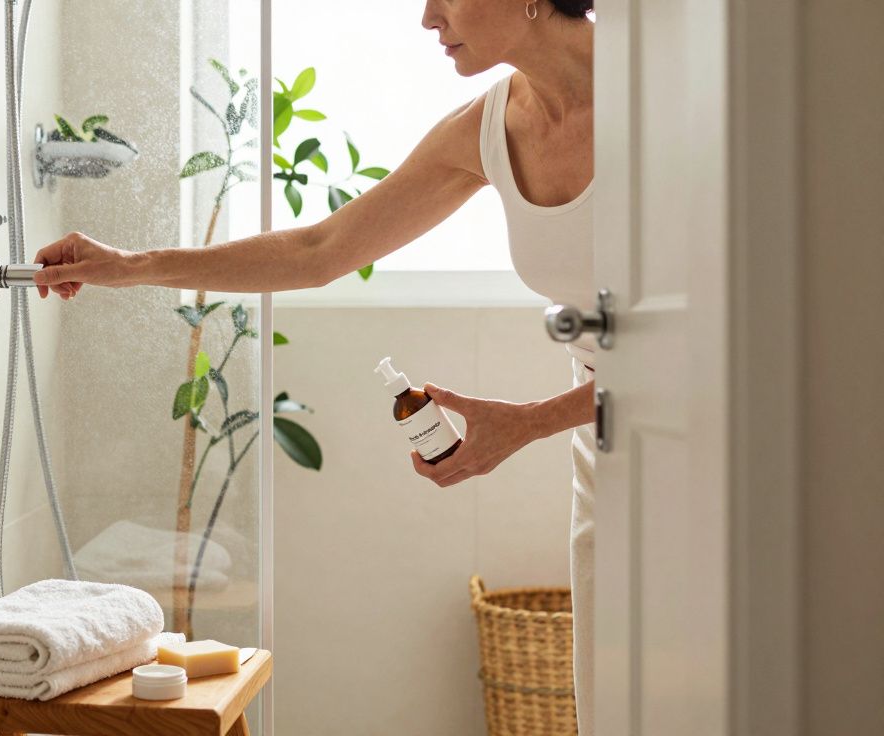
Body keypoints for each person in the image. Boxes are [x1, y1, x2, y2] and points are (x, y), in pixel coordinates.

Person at [32, 0, 597, 729]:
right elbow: (319, 252)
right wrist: (131, 266)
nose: (428, 17)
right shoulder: (488, 128)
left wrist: (530, 422)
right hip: (606, 455)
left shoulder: (668, 95)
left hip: (707, 437)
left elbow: (719, 331)